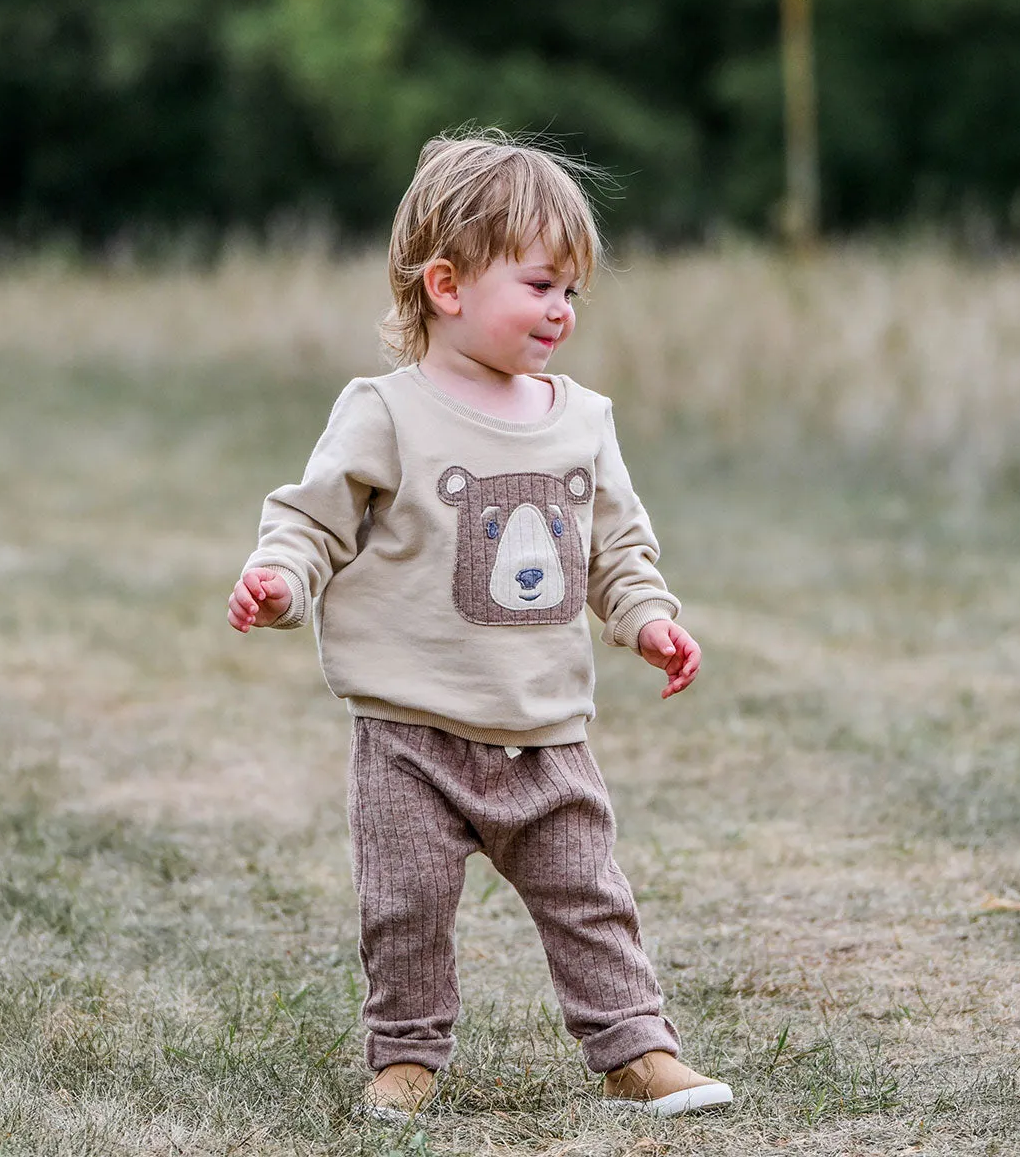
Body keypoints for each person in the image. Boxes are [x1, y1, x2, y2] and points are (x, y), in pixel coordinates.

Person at [227, 129, 733, 1121]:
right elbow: (310, 520)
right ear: (448, 286)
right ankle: (405, 1058)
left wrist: (649, 619)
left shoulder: (581, 420)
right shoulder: (386, 412)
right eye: (542, 286)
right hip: (410, 731)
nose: (562, 310)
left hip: (543, 726)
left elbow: (616, 547)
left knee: (590, 896)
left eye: (572, 293)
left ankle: (636, 1048)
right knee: (406, 904)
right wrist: (280, 580)